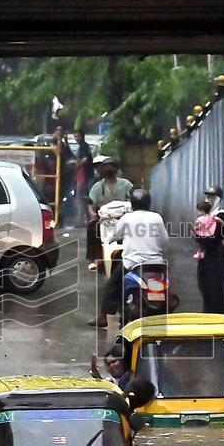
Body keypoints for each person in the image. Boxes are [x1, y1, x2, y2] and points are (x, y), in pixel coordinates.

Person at [90, 188, 169, 327]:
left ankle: (103, 317)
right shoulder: (157, 217)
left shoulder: (127, 218)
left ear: (132, 203)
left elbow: (115, 235)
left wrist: (110, 239)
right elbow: (165, 242)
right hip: (157, 263)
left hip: (133, 263)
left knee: (112, 285)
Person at [86, 156, 134, 271]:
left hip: (123, 217)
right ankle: (95, 258)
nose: (109, 168)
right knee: (93, 228)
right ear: (102, 170)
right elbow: (90, 204)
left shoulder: (126, 184)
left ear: (116, 168)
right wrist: (93, 214)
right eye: (106, 166)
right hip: (104, 218)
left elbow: (134, 196)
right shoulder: (97, 187)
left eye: (111, 166)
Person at [195, 185, 224, 314]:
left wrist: (201, 238)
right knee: (206, 286)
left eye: (212, 197)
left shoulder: (220, 215)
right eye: (207, 196)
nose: (209, 200)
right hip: (206, 257)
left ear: (218, 199)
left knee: (218, 287)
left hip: (217, 257)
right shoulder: (206, 217)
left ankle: (221, 315)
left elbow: (215, 236)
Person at [73, 129, 94, 228]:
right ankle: (85, 219)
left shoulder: (84, 147)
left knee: (81, 199)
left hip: (84, 177)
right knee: (83, 199)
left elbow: (85, 159)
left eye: (77, 137)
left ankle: (81, 221)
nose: (76, 139)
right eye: (75, 137)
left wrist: (76, 166)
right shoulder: (83, 147)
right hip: (82, 177)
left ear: (82, 136)